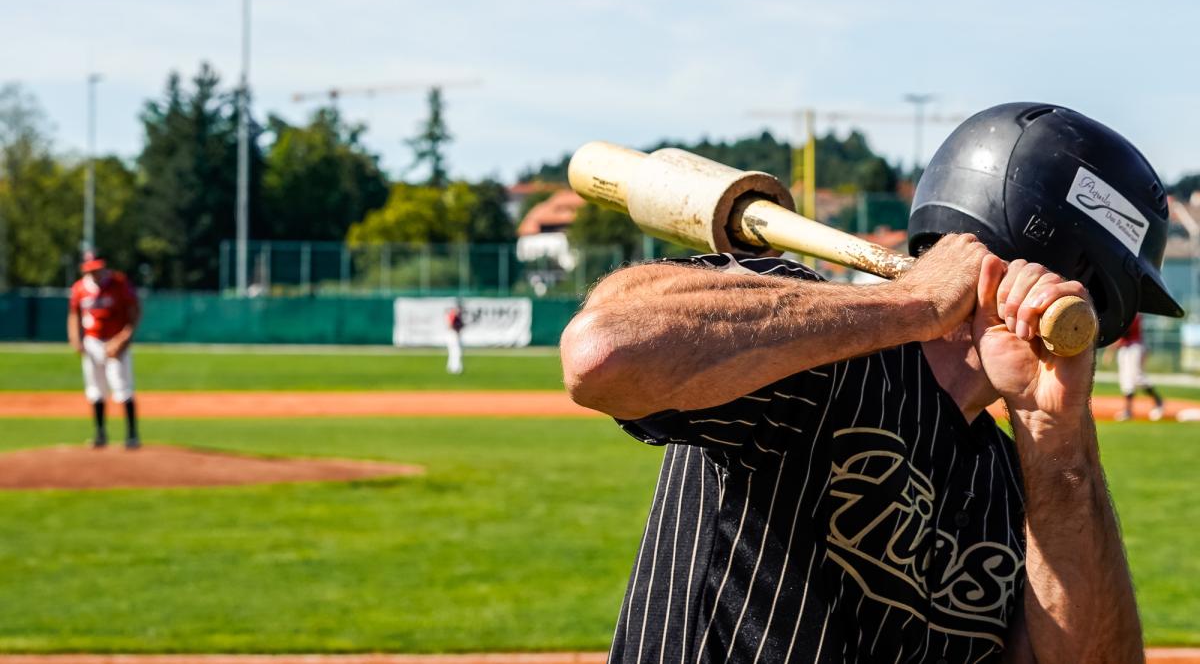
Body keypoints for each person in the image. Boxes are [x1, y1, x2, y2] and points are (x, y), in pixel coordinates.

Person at [560, 103, 1184, 663]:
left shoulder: (1027, 486)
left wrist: (1057, 435)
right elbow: (602, 353)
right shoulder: (806, 346)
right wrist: (910, 304)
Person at [68, 254, 142, 449]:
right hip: (92, 341)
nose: (95, 272)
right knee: (95, 388)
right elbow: (74, 314)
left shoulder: (119, 283)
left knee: (122, 386)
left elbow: (135, 311)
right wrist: (76, 338)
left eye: (97, 268)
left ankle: (132, 435)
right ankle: (100, 434)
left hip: (116, 339)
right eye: (91, 269)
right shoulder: (80, 288)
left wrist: (123, 339)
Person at [1112, 314, 1165, 421]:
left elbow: (1126, 331)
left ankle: (1158, 401)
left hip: (1135, 346)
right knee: (1126, 380)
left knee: (1137, 377)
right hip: (1125, 348)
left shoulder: (1134, 314)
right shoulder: (1124, 311)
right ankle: (1128, 411)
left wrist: (1113, 345)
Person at [446, 302, 465, 375]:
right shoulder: (453, 315)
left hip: (452, 334)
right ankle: (455, 368)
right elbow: (451, 325)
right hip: (453, 334)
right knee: (456, 352)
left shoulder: (454, 315)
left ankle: (451, 367)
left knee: (453, 352)